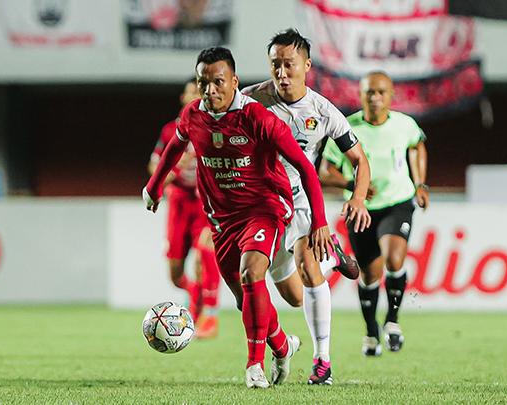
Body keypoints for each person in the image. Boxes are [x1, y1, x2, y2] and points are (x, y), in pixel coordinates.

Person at [143, 46, 335, 389]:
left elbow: (306, 168)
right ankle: (282, 345)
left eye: (217, 82)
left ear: (234, 81)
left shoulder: (257, 117)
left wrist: (320, 220)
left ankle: (254, 365)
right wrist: (154, 186)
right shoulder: (193, 115)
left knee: (251, 273)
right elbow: (175, 143)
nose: (210, 91)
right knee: (244, 296)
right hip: (223, 218)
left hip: (265, 209)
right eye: (204, 83)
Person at [242, 28, 371, 385]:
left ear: (307, 65)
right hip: (261, 205)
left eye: (289, 64)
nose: (281, 73)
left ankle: (322, 362)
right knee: (294, 297)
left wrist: (357, 198)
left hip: (301, 200)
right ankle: (332, 257)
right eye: (275, 65)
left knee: (307, 265)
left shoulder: (323, 111)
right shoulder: (250, 100)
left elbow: (359, 159)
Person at [320, 71, 429, 357]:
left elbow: (417, 146)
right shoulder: (346, 128)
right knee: (369, 274)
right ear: (361, 95)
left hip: (398, 201)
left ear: (392, 95)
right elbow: (324, 172)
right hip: (361, 209)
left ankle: (392, 322)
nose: (375, 98)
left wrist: (419, 184)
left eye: (381, 92)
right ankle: (371, 332)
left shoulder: (405, 125)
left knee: (394, 258)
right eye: (370, 92)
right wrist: (351, 184)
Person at [148, 77, 221, 338]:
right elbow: (154, 169)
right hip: (179, 201)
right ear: (183, 98)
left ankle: (210, 317)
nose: (195, 98)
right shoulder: (171, 131)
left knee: (206, 251)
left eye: (199, 94)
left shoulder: (214, 129)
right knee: (176, 275)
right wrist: (180, 164)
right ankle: (195, 297)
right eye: (191, 92)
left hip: (204, 201)